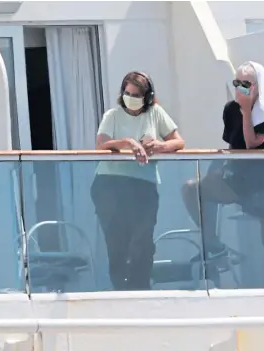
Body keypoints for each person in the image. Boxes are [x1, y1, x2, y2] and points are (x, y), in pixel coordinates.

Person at [181, 61, 264, 288]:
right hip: (239, 181)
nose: (240, 88)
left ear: (258, 86)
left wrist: (248, 111)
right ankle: (213, 245)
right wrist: (215, 171)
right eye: (237, 83)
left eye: (246, 84)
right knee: (193, 188)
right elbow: (232, 145)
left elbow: (251, 144)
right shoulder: (230, 110)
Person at [91, 71, 185, 291]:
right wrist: (128, 143)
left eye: (136, 94)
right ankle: (120, 290)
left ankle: (141, 289)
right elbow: (101, 145)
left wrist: (160, 146)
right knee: (117, 243)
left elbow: (179, 142)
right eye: (127, 92)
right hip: (109, 185)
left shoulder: (155, 113)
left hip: (143, 185)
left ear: (147, 96)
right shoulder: (112, 115)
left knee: (142, 241)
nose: (130, 97)